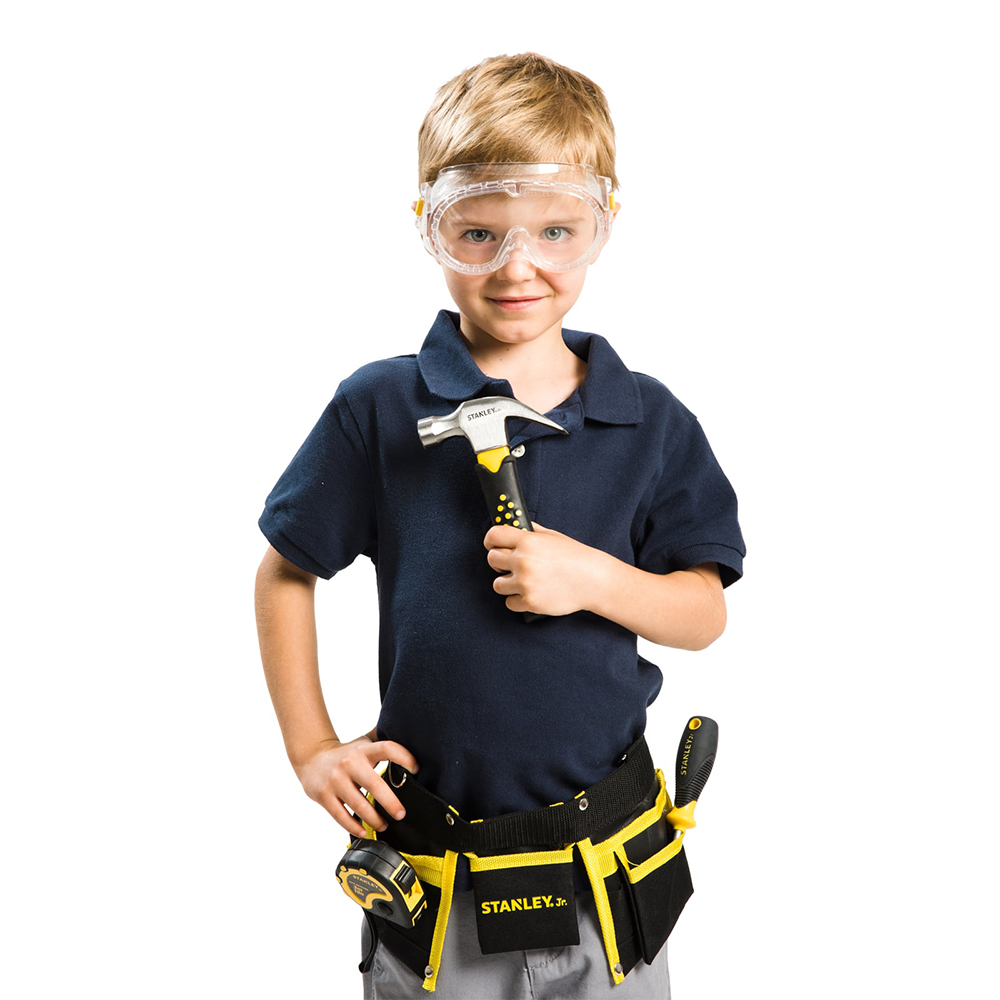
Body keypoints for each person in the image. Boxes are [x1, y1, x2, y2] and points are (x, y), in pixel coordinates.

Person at [255, 52, 745, 999]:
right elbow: (284, 569)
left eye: (557, 230)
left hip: (607, 879)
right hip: (438, 885)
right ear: (429, 228)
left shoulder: (650, 419)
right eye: (478, 233)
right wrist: (312, 747)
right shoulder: (378, 408)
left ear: (603, 225)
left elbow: (702, 614)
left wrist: (593, 578)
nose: (519, 266)